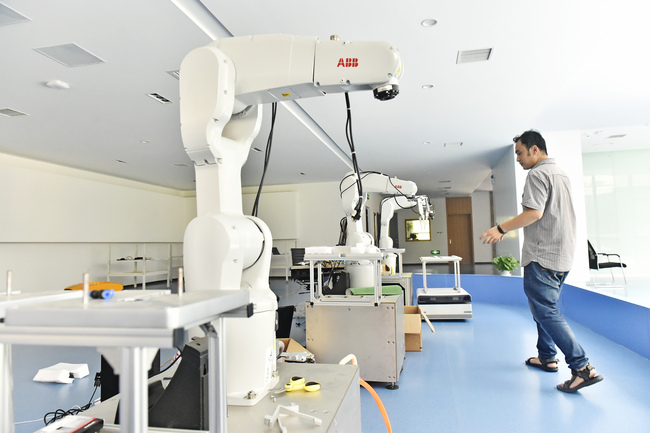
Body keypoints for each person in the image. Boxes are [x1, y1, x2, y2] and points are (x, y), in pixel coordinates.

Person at [479, 130, 603, 393]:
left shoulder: (537, 174)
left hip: (543, 254)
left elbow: (533, 213)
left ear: (535, 150)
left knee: (545, 311)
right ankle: (547, 357)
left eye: (520, 153)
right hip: (563, 254)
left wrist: (500, 229)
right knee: (544, 308)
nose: (518, 159)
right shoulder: (560, 173)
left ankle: (582, 367)